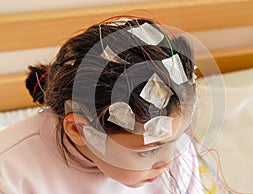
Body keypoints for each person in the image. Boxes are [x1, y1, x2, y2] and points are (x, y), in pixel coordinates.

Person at [0, 16, 203, 194]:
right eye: (148, 151)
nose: (169, 161)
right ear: (79, 130)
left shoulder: (174, 149)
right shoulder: (8, 172)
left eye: (176, 139)